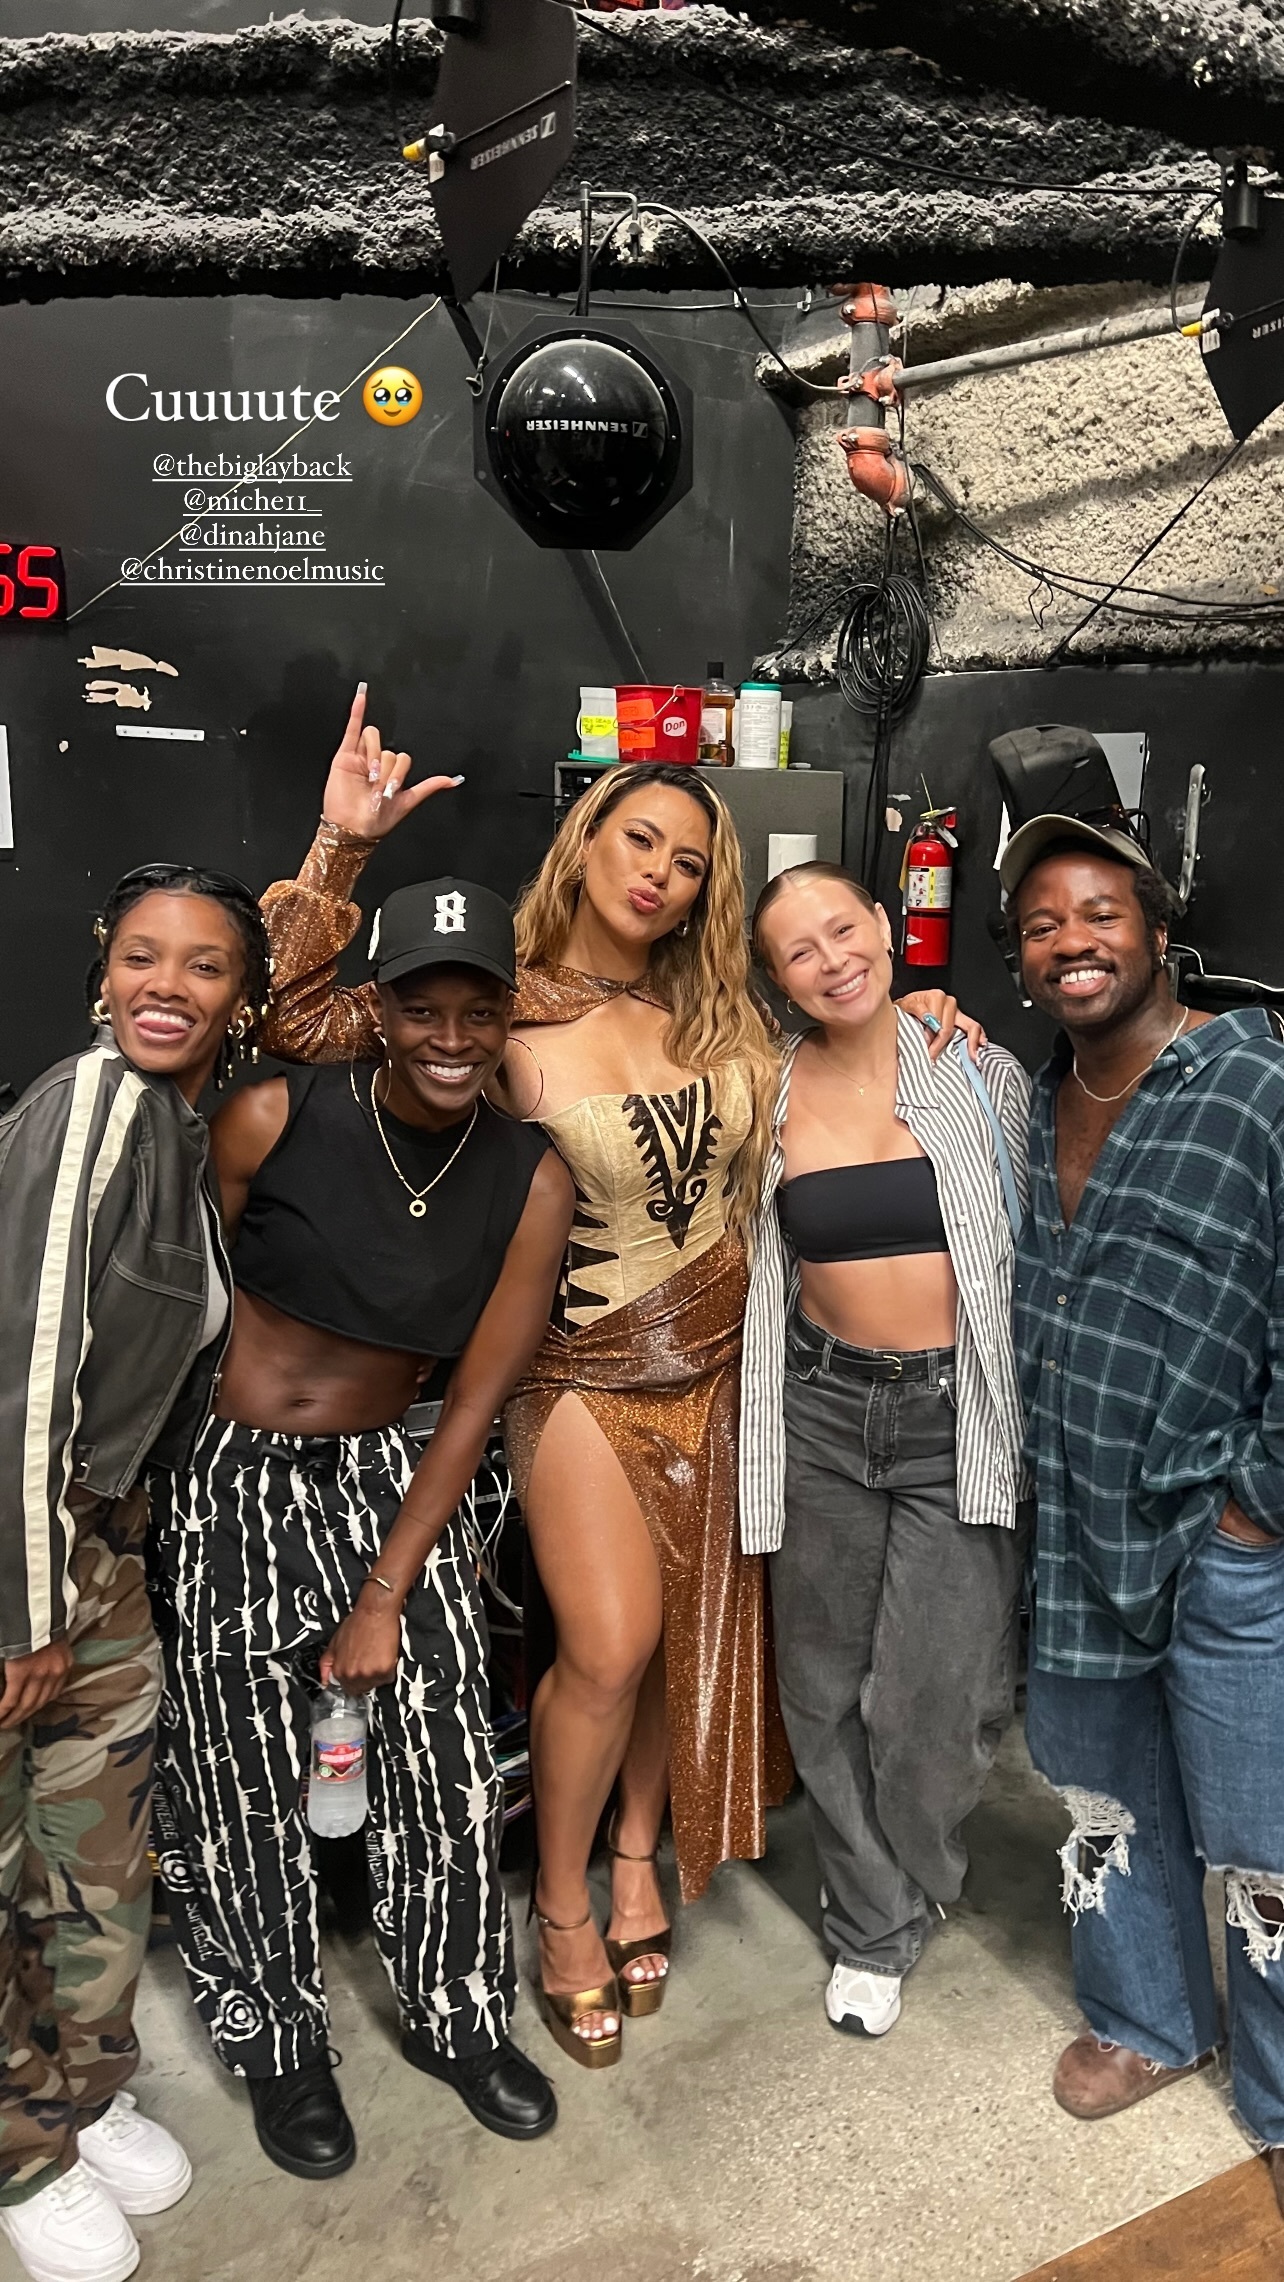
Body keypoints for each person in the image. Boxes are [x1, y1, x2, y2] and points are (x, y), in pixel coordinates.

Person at [258, 698, 974, 2070]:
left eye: (691, 860)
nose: (661, 871)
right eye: (640, 839)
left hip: (735, 1365)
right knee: (610, 1642)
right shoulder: (491, 997)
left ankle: (641, 1852)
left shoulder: (720, 1010)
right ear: (585, 841)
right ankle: (563, 1901)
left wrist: (920, 1008)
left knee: (687, 1636)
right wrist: (340, 848)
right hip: (580, 1366)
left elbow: (840, 1067)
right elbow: (289, 1019)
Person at [147, 822, 575, 2176]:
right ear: (377, 1009)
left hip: (396, 1472)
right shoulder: (272, 1114)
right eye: (422, 1007)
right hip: (234, 1474)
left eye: (477, 1010)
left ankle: (458, 2014)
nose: (451, 1037)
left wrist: (387, 1587)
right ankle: (280, 2040)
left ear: (507, 1016)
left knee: (443, 1759)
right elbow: (176, 1303)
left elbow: (482, 1391)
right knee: (239, 1773)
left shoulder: (529, 1173)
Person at [1005, 809, 1284, 2215]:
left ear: (1161, 934)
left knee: (1266, 1831)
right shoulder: (1025, 1098)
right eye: (1042, 924)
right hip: (1074, 1524)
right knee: (1104, 1794)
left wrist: (1257, 1509)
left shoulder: (1257, 1084)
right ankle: (1150, 2018)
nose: (1072, 940)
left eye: (1100, 912)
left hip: (1227, 1534)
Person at [0, 864, 269, 2282]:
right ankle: (20, 2149)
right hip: (20, 1548)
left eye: (205, 964)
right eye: (142, 956)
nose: (168, 984)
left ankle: (82, 2092)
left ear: (240, 998)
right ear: (102, 971)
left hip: (97, 1551)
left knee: (95, 1859)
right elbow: (28, 1366)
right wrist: (25, 1608)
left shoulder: (173, 1124)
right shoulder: (96, 1100)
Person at [740, 860, 1030, 2037]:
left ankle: (914, 1865)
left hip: (957, 1413)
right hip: (819, 1408)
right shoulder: (763, 1090)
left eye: (842, 928)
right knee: (818, 1684)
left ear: (883, 924)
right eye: (798, 949)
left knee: (934, 1699)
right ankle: (873, 1919)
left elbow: (1036, 1237)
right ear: (777, 979)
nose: (831, 959)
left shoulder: (977, 1069)